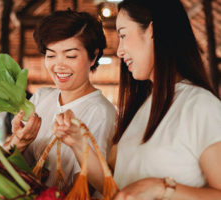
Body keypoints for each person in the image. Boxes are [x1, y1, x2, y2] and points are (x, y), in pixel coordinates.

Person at [52, 0, 221, 199]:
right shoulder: (140, 108)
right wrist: (79, 144)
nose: (119, 50)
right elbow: (115, 189)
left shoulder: (200, 105)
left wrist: (161, 188)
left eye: (123, 35)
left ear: (152, 30)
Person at [3, 10, 116, 190]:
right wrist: (19, 142)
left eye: (70, 56)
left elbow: (89, 186)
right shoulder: (41, 97)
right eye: (51, 55)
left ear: (93, 56)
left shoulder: (101, 112)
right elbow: (10, 166)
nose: (59, 65)